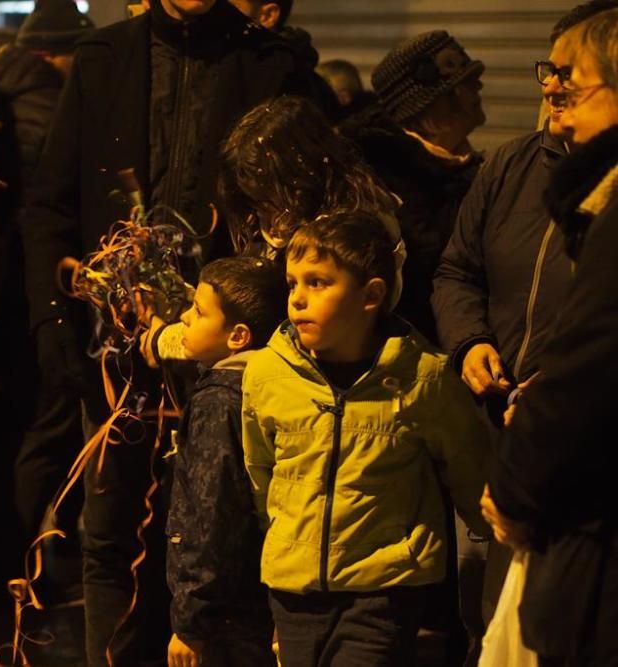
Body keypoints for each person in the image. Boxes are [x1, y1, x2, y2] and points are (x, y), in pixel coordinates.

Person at [19, 0, 333, 662]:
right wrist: (53, 322)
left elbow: (312, 208)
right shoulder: (105, 59)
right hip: (116, 350)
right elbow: (50, 201)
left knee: (217, 539)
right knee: (108, 533)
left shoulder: (273, 63)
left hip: (231, 351)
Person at [431, 5, 616, 659]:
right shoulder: (510, 166)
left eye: (571, 75)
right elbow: (457, 270)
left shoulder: (606, 200)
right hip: (499, 423)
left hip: (565, 455)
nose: (551, 87)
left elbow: (593, 354)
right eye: (549, 69)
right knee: (498, 613)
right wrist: (469, 340)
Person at [242, 211, 490, 665]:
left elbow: (468, 465)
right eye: (293, 282)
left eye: (317, 283)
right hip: (293, 586)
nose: (297, 299)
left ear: (370, 295)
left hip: (384, 587)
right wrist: (279, 536)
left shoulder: (422, 377)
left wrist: (499, 533)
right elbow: (260, 472)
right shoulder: (265, 373)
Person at [0, 0, 95, 609]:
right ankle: (16, 571)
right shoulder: (45, 104)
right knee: (36, 434)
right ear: (54, 54)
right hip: (23, 300)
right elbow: (50, 208)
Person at [142, 95, 402, 367]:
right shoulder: (264, 218)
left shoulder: (352, 232)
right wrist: (181, 303)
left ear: (301, 173)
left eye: (268, 192)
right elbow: (247, 309)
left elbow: (285, 333)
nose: (265, 212)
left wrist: (172, 341)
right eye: (253, 197)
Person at [165, 257, 285, 667]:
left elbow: (210, 513)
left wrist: (191, 620)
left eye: (198, 311)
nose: (184, 317)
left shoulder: (219, 401)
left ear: (237, 335)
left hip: (228, 617)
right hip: (255, 603)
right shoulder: (264, 386)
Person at [340, 30, 485, 343]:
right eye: (467, 83)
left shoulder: (475, 170)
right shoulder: (376, 178)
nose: (479, 87)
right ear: (434, 102)